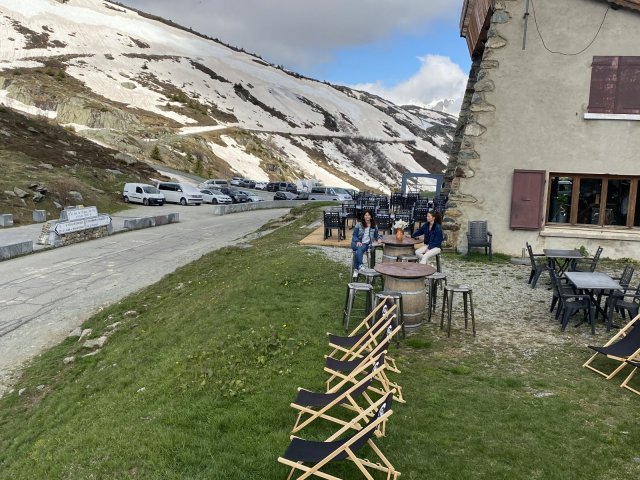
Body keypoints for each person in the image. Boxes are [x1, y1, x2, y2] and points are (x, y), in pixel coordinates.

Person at [351, 210, 381, 278]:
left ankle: (356, 269)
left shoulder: (374, 225)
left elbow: (377, 235)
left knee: (358, 250)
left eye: (368, 215)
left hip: (365, 244)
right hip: (355, 243)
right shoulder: (359, 224)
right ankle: (360, 265)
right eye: (365, 215)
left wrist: (379, 239)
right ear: (363, 216)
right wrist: (357, 241)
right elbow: (354, 235)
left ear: (371, 216)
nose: (367, 216)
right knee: (359, 247)